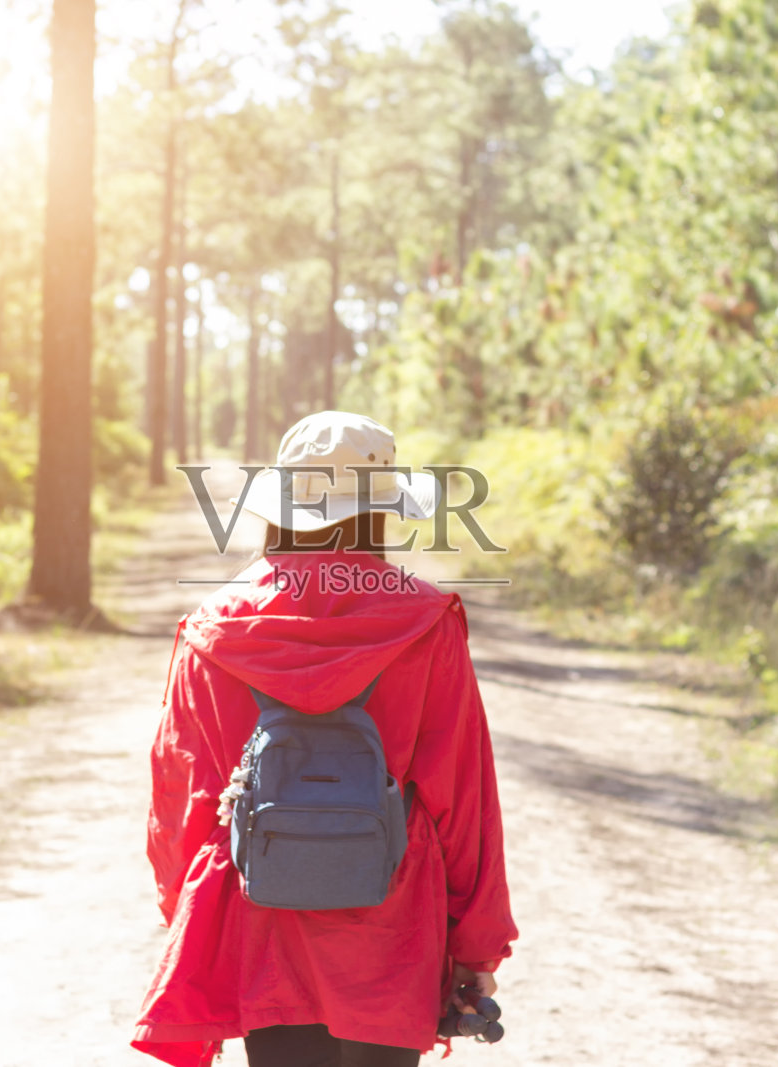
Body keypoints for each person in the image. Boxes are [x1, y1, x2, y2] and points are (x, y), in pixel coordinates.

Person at [132, 411, 518, 1067]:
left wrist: (189, 915)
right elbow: (464, 796)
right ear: (380, 510)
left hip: (263, 912)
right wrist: (475, 946)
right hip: (392, 919)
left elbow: (181, 795)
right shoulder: (426, 622)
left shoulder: (212, 627)